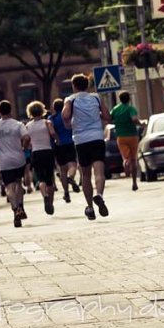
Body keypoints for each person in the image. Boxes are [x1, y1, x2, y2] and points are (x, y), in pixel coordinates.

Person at [61, 73, 111, 220]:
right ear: (87, 85)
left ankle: (89, 207)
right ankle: (99, 195)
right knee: (99, 172)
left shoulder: (70, 99)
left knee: (86, 175)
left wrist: (69, 122)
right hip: (97, 138)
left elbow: (65, 115)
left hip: (81, 140)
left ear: (74, 86)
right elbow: (107, 116)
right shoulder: (96, 97)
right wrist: (98, 115)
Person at [0, 100, 31, 227]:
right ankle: (21, 206)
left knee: (9, 187)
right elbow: (27, 138)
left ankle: (15, 210)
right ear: (11, 110)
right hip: (18, 158)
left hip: (4, 162)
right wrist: (24, 148)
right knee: (18, 183)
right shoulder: (18, 124)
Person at [26, 101, 58, 214]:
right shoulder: (47, 122)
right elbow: (53, 133)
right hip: (47, 152)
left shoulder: (28, 126)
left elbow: (27, 140)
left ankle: (44, 196)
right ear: (42, 110)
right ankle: (51, 202)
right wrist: (56, 140)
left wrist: (27, 146)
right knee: (50, 179)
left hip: (36, 153)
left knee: (41, 179)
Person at [110, 91, 141, 192]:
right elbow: (134, 119)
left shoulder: (115, 109)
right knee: (134, 160)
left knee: (126, 157)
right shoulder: (131, 108)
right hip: (132, 136)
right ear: (129, 99)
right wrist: (141, 123)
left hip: (121, 137)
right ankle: (134, 183)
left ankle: (125, 162)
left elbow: (109, 118)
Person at [50, 98, 80, 203]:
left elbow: (52, 132)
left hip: (59, 145)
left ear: (54, 108)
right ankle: (71, 177)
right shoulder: (67, 116)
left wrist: (57, 140)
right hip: (70, 142)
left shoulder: (51, 118)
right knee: (72, 165)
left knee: (62, 170)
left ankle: (66, 193)